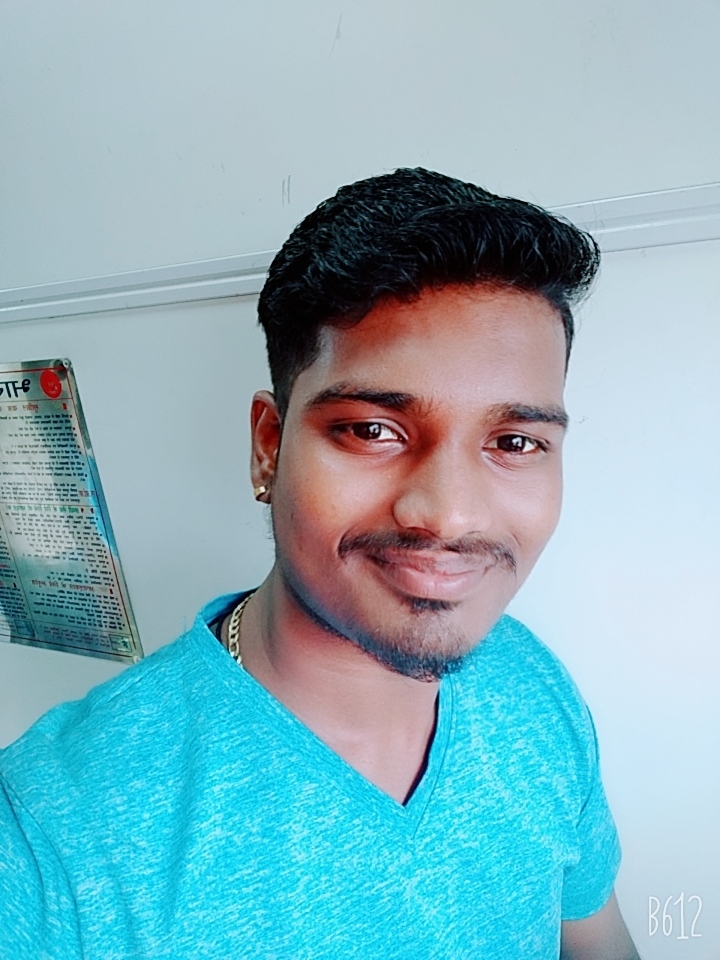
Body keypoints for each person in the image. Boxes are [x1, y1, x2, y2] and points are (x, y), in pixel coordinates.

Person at [0, 168, 640, 959]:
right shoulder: (49, 836)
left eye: (514, 442)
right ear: (268, 446)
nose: (449, 515)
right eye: (373, 431)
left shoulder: (533, 684)